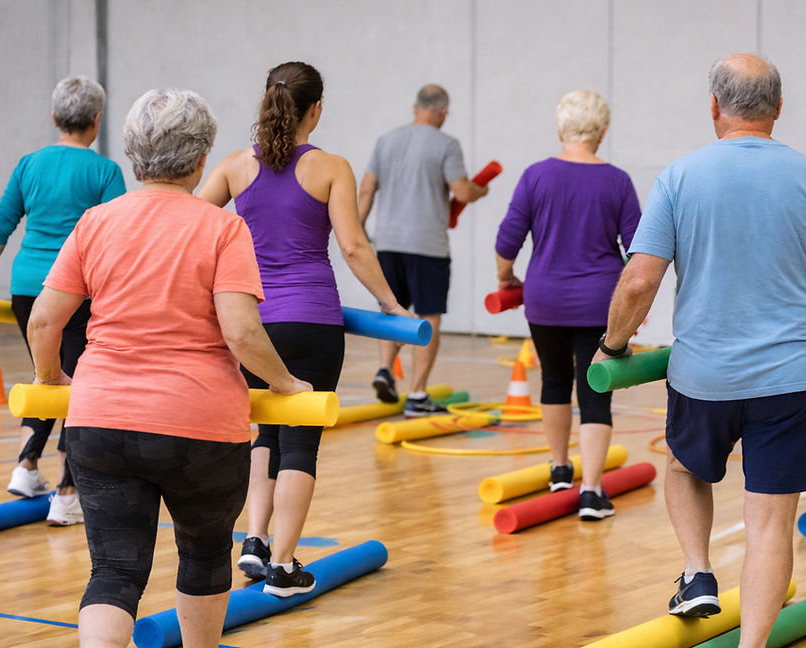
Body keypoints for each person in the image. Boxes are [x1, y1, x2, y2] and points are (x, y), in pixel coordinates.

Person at [593, 54, 806, 647]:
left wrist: (612, 346)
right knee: (772, 524)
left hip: (705, 375)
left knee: (685, 466)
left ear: (715, 107)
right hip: (795, 377)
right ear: (778, 108)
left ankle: (697, 572)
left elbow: (639, 281)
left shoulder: (680, 175)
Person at [27, 88, 310, 647]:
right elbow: (242, 331)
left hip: (100, 419)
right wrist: (285, 382)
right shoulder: (221, 229)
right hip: (198, 427)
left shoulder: (96, 222)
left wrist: (50, 380)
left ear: (132, 156)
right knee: (204, 556)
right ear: (202, 158)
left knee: (114, 571)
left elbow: (43, 322)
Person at [198, 61, 409, 597]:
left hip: (252, 324)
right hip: (312, 322)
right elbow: (355, 247)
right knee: (300, 445)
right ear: (315, 109)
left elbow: (192, 227)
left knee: (263, 432)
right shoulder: (331, 167)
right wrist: (391, 305)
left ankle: (255, 541)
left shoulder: (232, 168)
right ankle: (285, 568)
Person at [0, 75, 125, 526]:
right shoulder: (104, 172)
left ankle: (26, 465)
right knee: (79, 387)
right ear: (96, 121)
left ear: (55, 117)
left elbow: (2, 223)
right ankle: (66, 492)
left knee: (47, 376)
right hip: (74, 290)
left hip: (26, 287)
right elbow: (116, 238)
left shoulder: (30, 164)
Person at [494, 90, 641, 520]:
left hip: (546, 300)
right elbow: (638, 251)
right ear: (603, 132)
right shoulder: (617, 181)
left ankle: (560, 469)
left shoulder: (536, 176)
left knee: (554, 381)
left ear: (560, 129)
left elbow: (508, 240)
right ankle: (592, 492)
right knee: (596, 393)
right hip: (601, 302)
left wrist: (506, 278)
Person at [358, 84, 488, 416]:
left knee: (389, 311)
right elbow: (460, 192)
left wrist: (357, 228)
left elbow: (368, 187)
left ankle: (385, 369)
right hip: (427, 246)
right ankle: (416, 395)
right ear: (443, 111)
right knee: (428, 317)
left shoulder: (386, 141)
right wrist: (479, 191)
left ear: (415, 107)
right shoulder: (446, 144)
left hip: (388, 241)